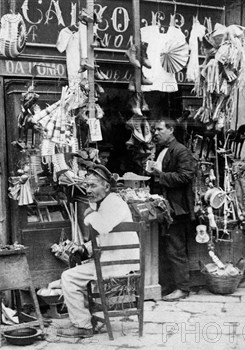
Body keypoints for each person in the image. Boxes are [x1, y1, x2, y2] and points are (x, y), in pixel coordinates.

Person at [58, 165, 139, 338]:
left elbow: (102, 226)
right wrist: (84, 248)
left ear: (107, 187)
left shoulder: (115, 203)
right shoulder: (103, 205)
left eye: (93, 186)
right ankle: (86, 317)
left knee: (69, 277)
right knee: (75, 272)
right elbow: (103, 238)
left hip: (118, 264)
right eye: (87, 186)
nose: (88, 190)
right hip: (113, 260)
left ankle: (83, 325)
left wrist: (88, 214)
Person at [146, 118, 196, 301]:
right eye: (154, 130)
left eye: (159, 129)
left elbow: (186, 177)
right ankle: (168, 284)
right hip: (165, 207)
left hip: (177, 208)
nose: (156, 133)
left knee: (176, 248)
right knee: (166, 248)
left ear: (171, 130)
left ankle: (183, 288)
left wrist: (161, 175)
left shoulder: (181, 150)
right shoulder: (162, 150)